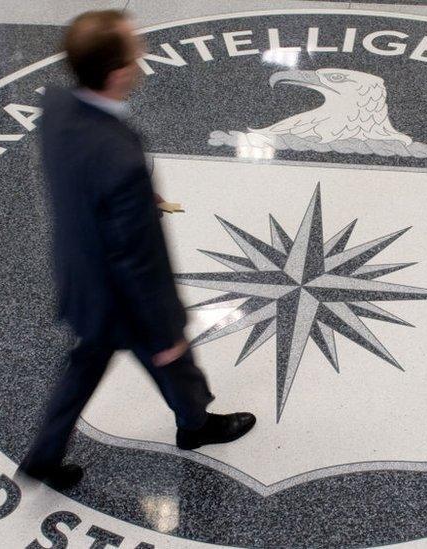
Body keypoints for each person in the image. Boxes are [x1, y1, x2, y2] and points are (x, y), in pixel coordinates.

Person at [19, 10, 256, 490]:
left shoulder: (59, 105)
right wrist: (166, 327)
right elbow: (138, 261)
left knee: (85, 366)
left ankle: (44, 455)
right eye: (134, 52)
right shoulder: (120, 161)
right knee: (173, 356)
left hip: (79, 275)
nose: (142, 58)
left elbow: (80, 175)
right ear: (117, 73)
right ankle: (196, 426)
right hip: (121, 296)